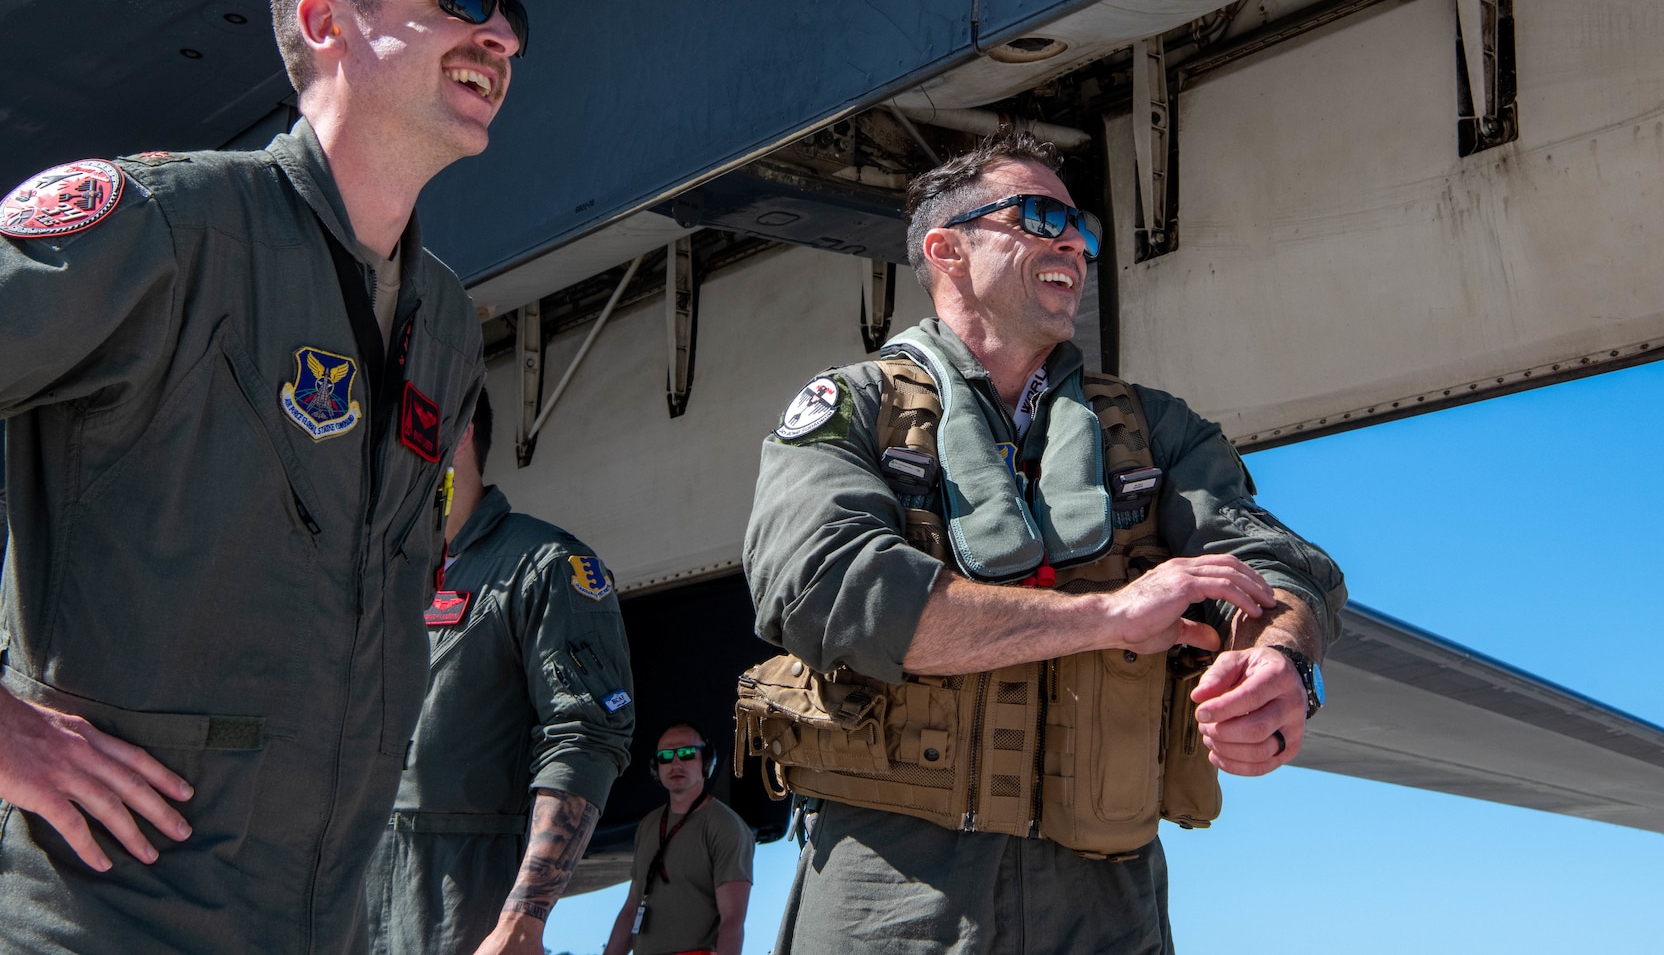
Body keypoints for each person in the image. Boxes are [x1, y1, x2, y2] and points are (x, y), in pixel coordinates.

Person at [0, 0, 521, 954]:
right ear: (327, 24)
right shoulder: (162, 226)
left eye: (513, 13)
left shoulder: (446, 322)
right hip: (95, 916)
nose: (501, 32)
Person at [739, 131, 1346, 954]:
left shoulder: (1157, 429)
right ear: (946, 250)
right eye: (1037, 216)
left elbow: (1277, 565)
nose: (1073, 241)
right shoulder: (853, 411)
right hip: (895, 896)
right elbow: (829, 587)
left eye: (1081, 229)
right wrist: (1108, 617)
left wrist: (1282, 660)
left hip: (1103, 898)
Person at [360, 388, 637, 955]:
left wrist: (522, 920)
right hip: (354, 900)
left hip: (464, 906)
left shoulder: (546, 565)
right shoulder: (377, 577)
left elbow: (585, 737)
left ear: (457, 431)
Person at [605, 724, 755, 955]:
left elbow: (733, 920)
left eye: (685, 753)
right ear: (656, 767)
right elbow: (631, 907)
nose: (675, 763)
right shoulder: (648, 825)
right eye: (665, 757)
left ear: (705, 761)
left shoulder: (725, 826)